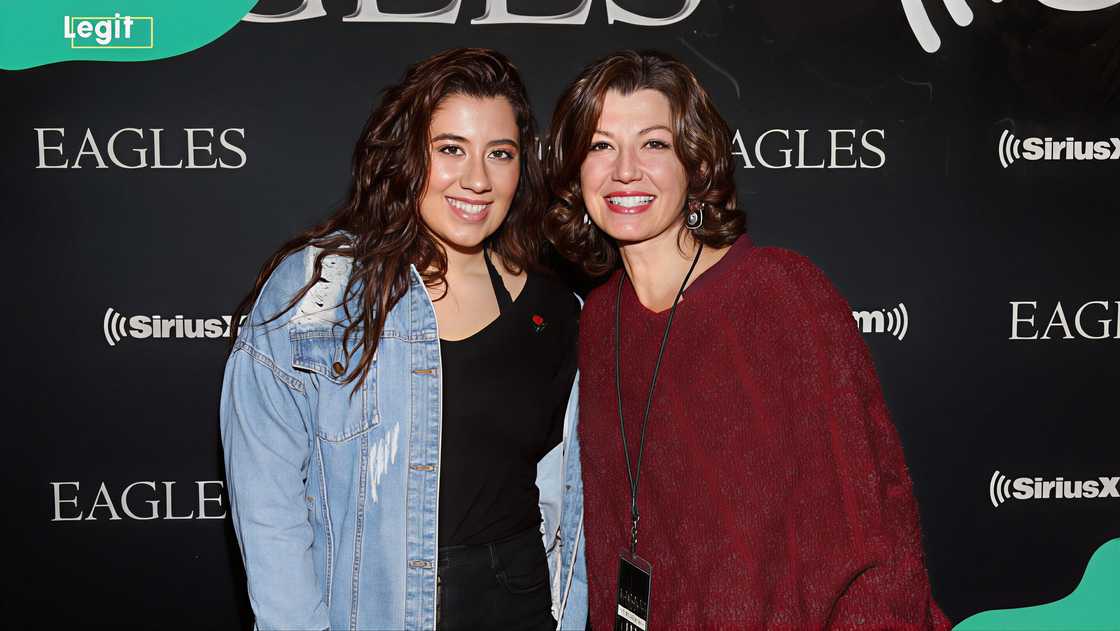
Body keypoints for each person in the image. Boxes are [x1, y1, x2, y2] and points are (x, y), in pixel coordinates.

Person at [543, 50, 951, 629]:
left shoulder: (781, 294)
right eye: (600, 145)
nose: (625, 170)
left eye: (654, 144)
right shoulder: (597, 320)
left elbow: (873, 534)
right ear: (573, 171)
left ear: (696, 163)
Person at [220, 48, 586, 631]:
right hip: (376, 606)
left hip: (519, 601)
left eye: (500, 154)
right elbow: (268, 504)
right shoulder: (319, 291)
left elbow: (562, 499)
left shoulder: (555, 307)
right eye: (450, 149)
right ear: (407, 154)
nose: (477, 179)